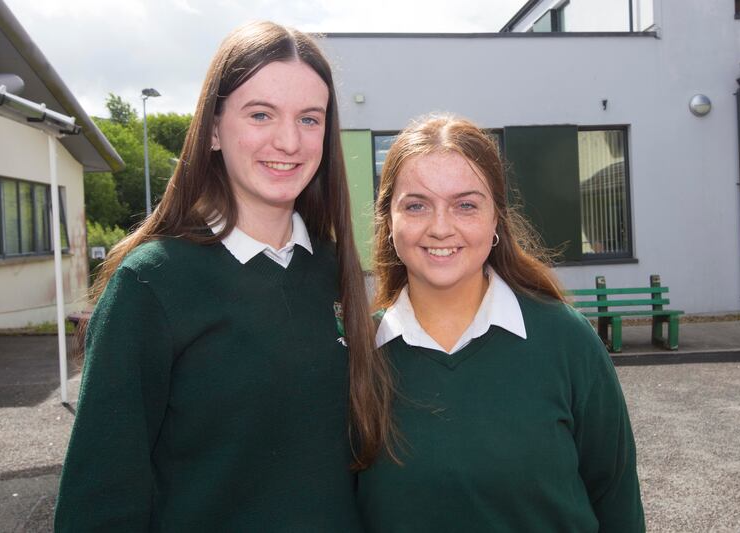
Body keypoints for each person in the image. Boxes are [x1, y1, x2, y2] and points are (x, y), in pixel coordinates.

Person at [55, 21, 395, 532]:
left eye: (309, 118)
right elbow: (100, 501)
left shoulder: (331, 269)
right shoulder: (151, 284)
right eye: (261, 114)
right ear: (213, 129)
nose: (288, 140)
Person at [358, 114, 645, 532]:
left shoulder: (567, 341)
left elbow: (618, 504)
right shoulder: (355, 356)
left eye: (466, 205)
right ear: (389, 222)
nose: (441, 227)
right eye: (416, 205)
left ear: (496, 220)